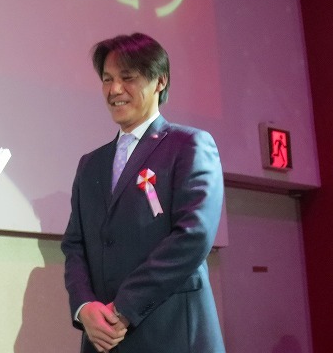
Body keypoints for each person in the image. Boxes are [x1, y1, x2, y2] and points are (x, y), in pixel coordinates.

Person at [61, 32, 225, 353]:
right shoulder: (90, 164)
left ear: (160, 81)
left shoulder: (189, 145)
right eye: (107, 79)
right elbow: (74, 244)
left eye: (127, 78)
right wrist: (84, 307)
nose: (114, 90)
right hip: (104, 340)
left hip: (172, 334)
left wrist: (124, 306)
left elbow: (193, 235)